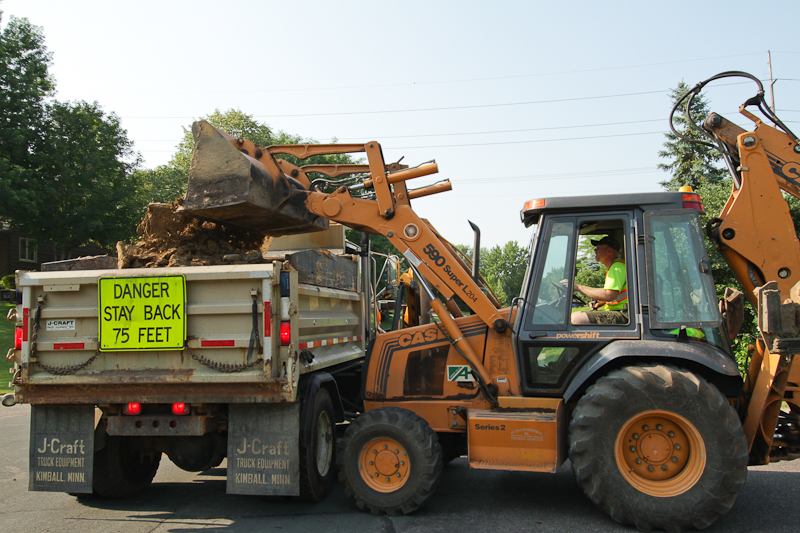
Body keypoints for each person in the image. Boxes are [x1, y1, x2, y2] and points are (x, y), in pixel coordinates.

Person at [570, 236, 628, 325]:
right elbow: (616, 295)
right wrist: (602, 302)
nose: (594, 250)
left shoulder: (617, 267)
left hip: (623, 314)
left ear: (609, 251)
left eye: (598, 248)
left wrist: (579, 287)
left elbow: (609, 295)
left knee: (574, 319)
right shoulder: (616, 267)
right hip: (620, 311)